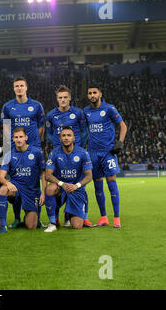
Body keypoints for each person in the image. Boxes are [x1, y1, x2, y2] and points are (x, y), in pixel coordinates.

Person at [0, 77, 45, 228]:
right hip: (15, 149)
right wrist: (12, 144)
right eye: (16, 86)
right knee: (16, 180)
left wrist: (32, 144)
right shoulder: (7, 107)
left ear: (26, 88)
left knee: (34, 180)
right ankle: (16, 217)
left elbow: (41, 127)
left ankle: (36, 215)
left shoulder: (36, 106)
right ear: (14, 89)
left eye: (21, 86)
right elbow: (6, 128)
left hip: (33, 148)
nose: (19, 88)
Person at [45, 85, 91, 227]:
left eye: (65, 97)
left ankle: (79, 213)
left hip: (75, 153)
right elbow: (48, 133)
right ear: (57, 99)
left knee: (78, 183)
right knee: (54, 186)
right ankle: (55, 218)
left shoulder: (78, 113)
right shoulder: (51, 115)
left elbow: (84, 132)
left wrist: (80, 147)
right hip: (59, 155)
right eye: (60, 97)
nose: (63, 100)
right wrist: (57, 145)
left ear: (70, 98)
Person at [84, 84, 128, 228]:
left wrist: (120, 143)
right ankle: (103, 217)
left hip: (108, 152)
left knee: (111, 183)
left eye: (94, 92)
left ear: (100, 94)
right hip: (93, 153)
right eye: (90, 93)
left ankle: (116, 218)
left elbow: (123, 125)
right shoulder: (86, 111)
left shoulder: (109, 108)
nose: (92, 95)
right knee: (97, 186)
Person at [0, 127, 46, 234]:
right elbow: (1, 177)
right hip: (16, 187)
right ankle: (4, 225)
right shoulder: (8, 154)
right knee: (3, 189)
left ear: (26, 138)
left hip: (32, 190)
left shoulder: (37, 152)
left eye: (21, 137)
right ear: (13, 139)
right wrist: (8, 183)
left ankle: (32, 215)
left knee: (32, 226)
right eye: (16, 137)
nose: (18, 140)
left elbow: (43, 173)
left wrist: (43, 192)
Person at [45, 126, 93, 231]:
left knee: (77, 226)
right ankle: (52, 222)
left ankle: (68, 214)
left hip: (76, 189)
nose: (66, 138)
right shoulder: (54, 153)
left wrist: (77, 185)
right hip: (61, 188)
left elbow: (89, 176)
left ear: (74, 138)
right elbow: (47, 175)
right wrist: (62, 184)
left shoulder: (83, 153)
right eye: (63, 135)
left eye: (69, 135)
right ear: (60, 138)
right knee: (50, 188)